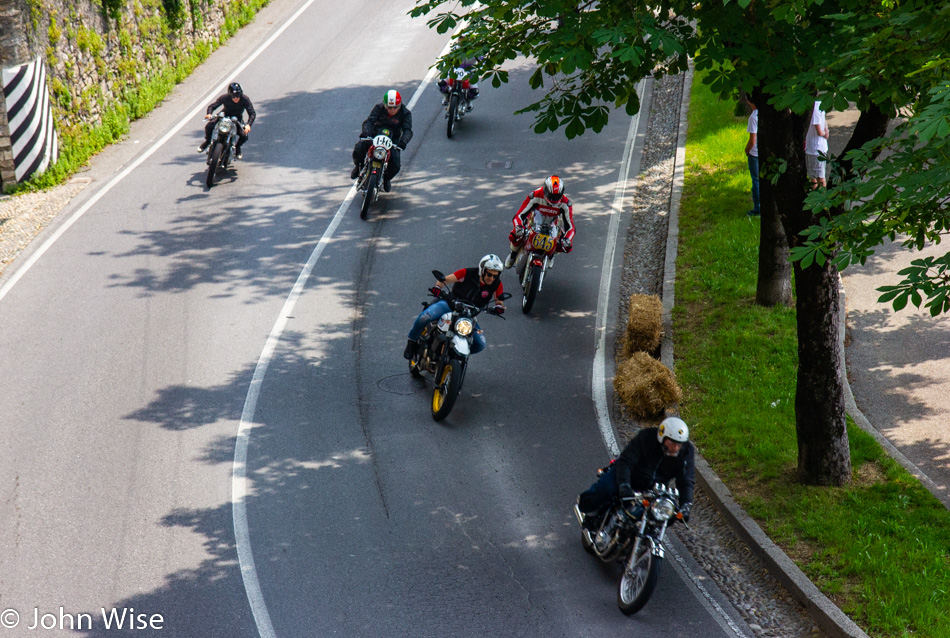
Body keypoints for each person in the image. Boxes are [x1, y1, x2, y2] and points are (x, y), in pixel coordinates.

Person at [577, 417, 695, 530]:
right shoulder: (646, 437)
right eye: (672, 443)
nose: (675, 448)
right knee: (605, 489)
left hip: (655, 489)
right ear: (662, 437)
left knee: (668, 515)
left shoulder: (687, 451)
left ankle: (646, 532)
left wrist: (686, 504)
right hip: (630, 477)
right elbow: (626, 461)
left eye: (679, 444)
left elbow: (686, 480)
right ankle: (590, 515)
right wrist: (624, 484)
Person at [404, 254, 506, 360]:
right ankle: (411, 342)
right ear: (482, 270)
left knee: (480, 344)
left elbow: (499, 301)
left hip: (468, 316)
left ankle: (453, 356)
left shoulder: (497, 284)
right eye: (489, 274)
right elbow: (445, 280)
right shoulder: (467, 273)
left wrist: (499, 307)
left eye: (495, 276)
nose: (492, 278)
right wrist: (437, 287)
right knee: (425, 316)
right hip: (450, 305)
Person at [503, 175, 575, 270]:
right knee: (515, 234)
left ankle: (551, 256)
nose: (553, 199)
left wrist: (567, 239)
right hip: (534, 221)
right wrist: (519, 227)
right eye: (551, 196)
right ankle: (513, 254)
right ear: (545, 190)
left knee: (565, 245)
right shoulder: (535, 195)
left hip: (553, 227)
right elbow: (519, 215)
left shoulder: (566, 203)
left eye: (556, 196)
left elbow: (570, 227)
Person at [350, 90, 413, 192]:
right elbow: (369, 121)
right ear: (385, 105)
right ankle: (358, 166)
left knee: (396, 164)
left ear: (399, 105)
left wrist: (403, 141)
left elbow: (407, 131)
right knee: (359, 147)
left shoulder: (405, 114)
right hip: (375, 136)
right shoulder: (378, 108)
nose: (392, 110)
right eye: (389, 107)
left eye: (395, 107)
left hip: (393, 141)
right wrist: (366, 133)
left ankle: (386, 179)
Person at [197, 82, 255, 160]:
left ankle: (237, 148)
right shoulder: (224, 98)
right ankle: (207, 142)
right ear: (229, 95)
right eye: (233, 96)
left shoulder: (245, 99)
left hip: (237, 119)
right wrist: (209, 114)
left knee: (244, 136)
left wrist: (248, 125)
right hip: (224, 115)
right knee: (209, 126)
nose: (236, 98)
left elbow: (252, 113)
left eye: (238, 96)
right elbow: (212, 106)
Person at [805, 100, 830, 189]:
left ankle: (819, 199)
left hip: (814, 148)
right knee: (820, 175)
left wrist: (824, 133)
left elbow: (819, 131)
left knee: (815, 178)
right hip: (821, 147)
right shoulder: (820, 104)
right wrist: (826, 132)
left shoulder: (814, 108)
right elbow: (824, 122)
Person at [744, 97, 760, 217]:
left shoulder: (753, 117)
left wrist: (747, 150)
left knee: (756, 180)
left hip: (755, 153)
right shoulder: (764, 113)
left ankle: (758, 207)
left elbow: (752, 140)